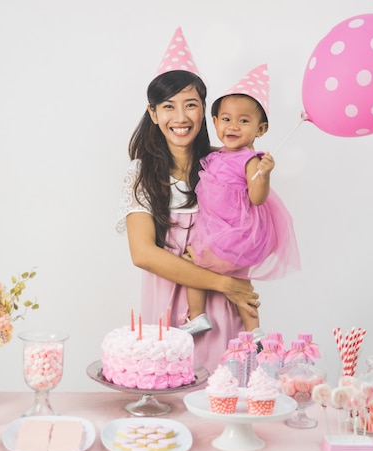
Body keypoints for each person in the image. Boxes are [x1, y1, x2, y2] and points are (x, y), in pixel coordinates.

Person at [116, 28, 260, 374]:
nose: (180, 118)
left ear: (205, 112)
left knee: (226, 391)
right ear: (153, 114)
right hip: (168, 309)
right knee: (167, 391)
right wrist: (225, 283)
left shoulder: (223, 168)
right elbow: (144, 254)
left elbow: (250, 231)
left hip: (221, 308)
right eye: (168, 106)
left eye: (190, 105)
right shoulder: (141, 174)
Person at [182, 65, 300, 337]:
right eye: (225, 119)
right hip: (221, 230)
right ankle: (254, 332)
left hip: (234, 232)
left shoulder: (250, 160)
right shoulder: (215, 156)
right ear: (215, 122)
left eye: (244, 121)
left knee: (192, 263)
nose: (233, 126)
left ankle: (197, 316)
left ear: (261, 128)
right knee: (239, 282)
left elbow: (257, 199)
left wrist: (264, 175)